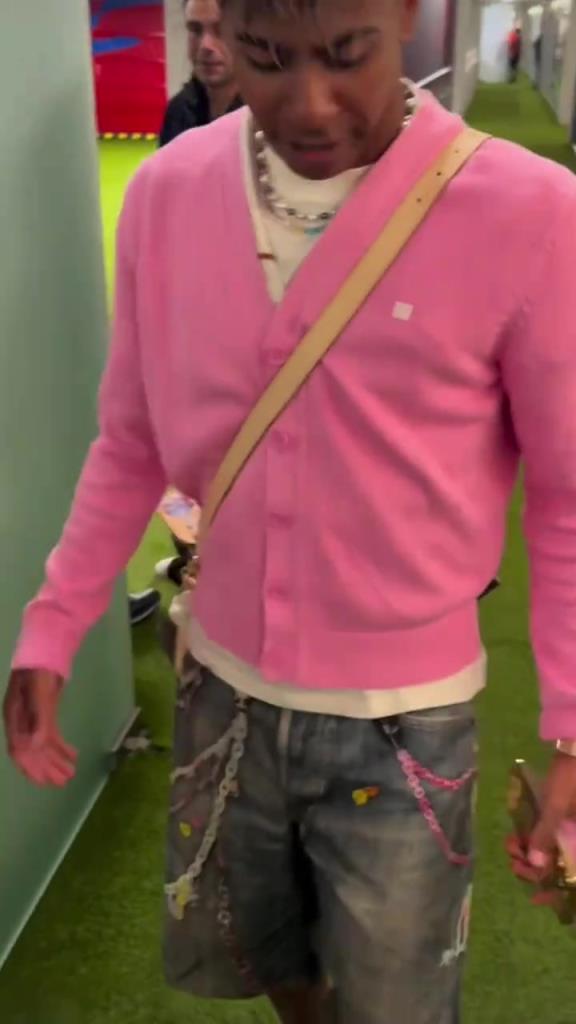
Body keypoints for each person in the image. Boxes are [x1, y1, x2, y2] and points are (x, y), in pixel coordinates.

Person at [4, 1, 576, 1021]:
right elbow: (131, 440)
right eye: (266, 59)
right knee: (266, 955)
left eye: (348, 55)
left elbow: (569, 497)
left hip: (405, 716)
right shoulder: (169, 192)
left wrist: (572, 728)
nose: (309, 104)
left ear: (405, 17)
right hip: (220, 685)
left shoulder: (529, 211)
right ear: (219, 35)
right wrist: (53, 627)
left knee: (398, 1002)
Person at [159, 0, 242, 146]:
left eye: (220, 30)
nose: (205, 45)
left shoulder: (267, 115)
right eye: (196, 30)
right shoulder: (178, 111)